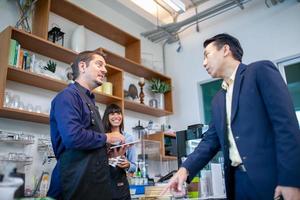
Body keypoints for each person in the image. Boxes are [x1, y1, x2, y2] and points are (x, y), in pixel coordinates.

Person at [162, 33, 300, 200]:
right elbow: (210, 142)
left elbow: (286, 126)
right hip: (237, 184)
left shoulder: (259, 71)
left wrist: (291, 180)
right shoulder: (218, 99)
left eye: (207, 55)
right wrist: (185, 169)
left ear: (225, 49)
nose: (203, 63)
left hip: (271, 180)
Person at [47, 50, 125, 200]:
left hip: (93, 186)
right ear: (82, 66)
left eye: (105, 66)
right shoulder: (67, 96)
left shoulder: (90, 101)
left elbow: (90, 144)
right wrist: (108, 138)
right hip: (73, 185)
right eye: (99, 64)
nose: (105, 70)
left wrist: (108, 152)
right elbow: (73, 137)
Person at [102, 103, 137, 200]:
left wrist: (128, 165)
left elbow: (134, 166)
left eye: (118, 113)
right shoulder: (102, 136)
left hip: (121, 187)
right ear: (107, 117)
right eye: (112, 113)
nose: (116, 116)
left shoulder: (129, 138)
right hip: (102, 184)